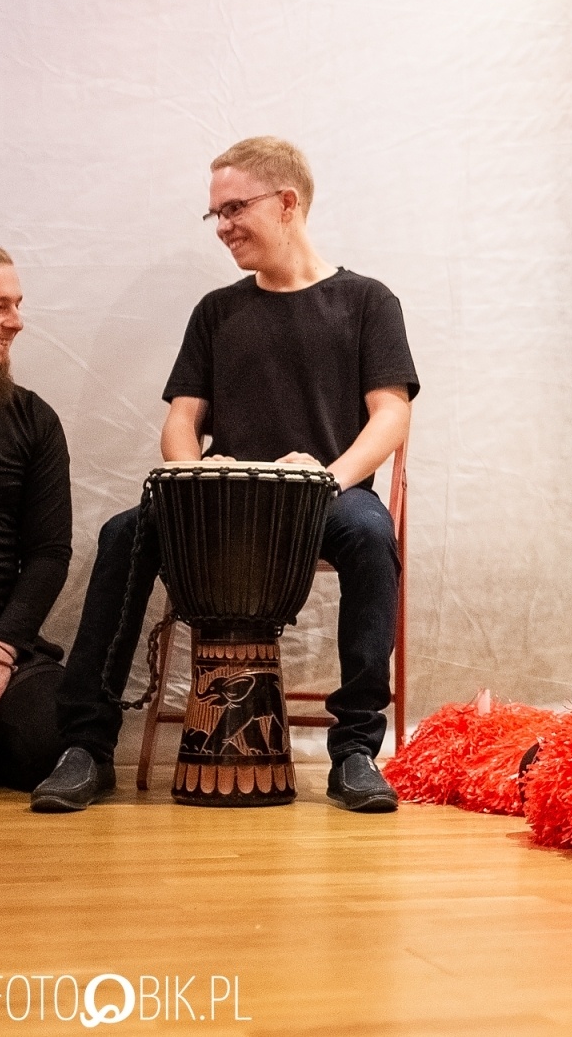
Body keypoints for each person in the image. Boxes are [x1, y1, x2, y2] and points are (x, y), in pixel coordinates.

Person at [32, 137, 418, 814]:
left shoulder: (367, 301)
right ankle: (86, 748)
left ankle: (355, 752)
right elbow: (181, 421)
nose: (223, 226)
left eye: (235, 208)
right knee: (124, 534)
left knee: (369, 537)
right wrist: (193, 477)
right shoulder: (217, 310)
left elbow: (391, 415)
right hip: (224, 501)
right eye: (216, 213)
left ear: (287, 202)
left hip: (327, 497)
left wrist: (328, 480)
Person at [0, 241, 72, 791]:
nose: (16, 322)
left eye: (17, 305)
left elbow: (48, 554)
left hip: (1, 647)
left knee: (56, 734)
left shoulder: (34, 419)